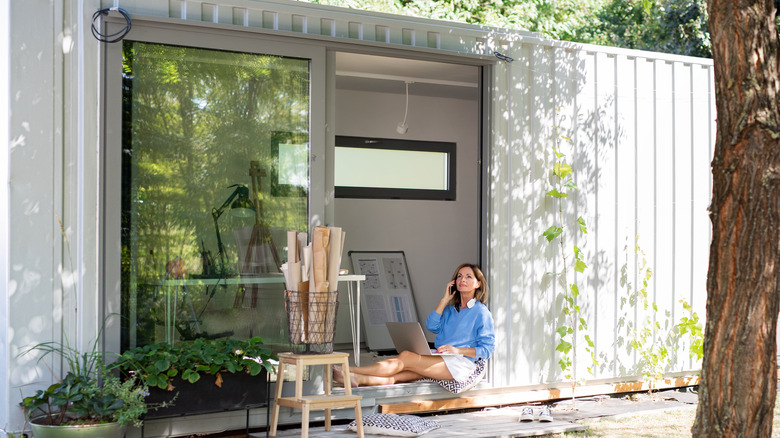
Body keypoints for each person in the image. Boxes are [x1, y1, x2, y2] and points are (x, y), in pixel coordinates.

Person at [334, 263, 495, 387]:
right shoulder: (450, 309)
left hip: (460, 364)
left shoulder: (481, 312)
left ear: (478, 284)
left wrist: (457, 350)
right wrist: (444, 300)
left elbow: (487, 349)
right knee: (399, 374)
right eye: (459, 276)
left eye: (468, 277)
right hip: (441, 357)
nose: (462, 280)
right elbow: (432, 326)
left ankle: (349, 370)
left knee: (406, 357)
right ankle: (357, 380)